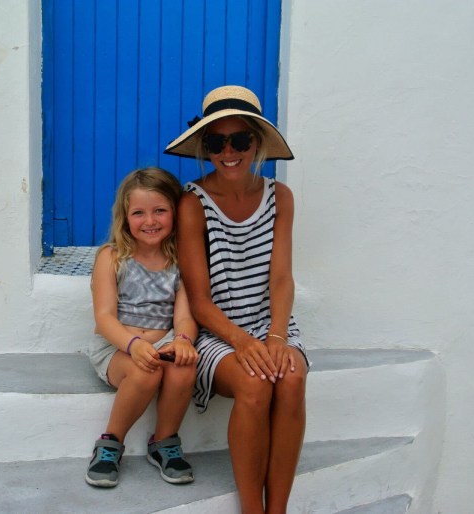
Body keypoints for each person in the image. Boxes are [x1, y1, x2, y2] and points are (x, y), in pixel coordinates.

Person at [164, 85, 310, 513]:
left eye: (240, 140)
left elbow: (281, 278)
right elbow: (199, 299)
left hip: (271, 323)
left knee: (292, 379)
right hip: (217, 331)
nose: (229, 152)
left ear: (257, 143)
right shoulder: (192, 202)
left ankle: (277, 509)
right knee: (254, 383)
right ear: (205, 148)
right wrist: (243, 342)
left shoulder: (280, 198)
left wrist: (276, 336)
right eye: (216, 142)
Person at [84, 167, 199, 488]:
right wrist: (134, 345)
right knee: (146, 370)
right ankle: (111, 442)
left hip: (164, 340)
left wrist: (183, 340)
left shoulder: (180, 261)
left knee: (184, 367)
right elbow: (105, 317)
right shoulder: (112, 257)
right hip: (118, 347)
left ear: (175, 213)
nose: (150, 220)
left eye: (160, 210)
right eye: (139, 213)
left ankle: (164, 442)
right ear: (125, 216)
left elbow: (184, 316)